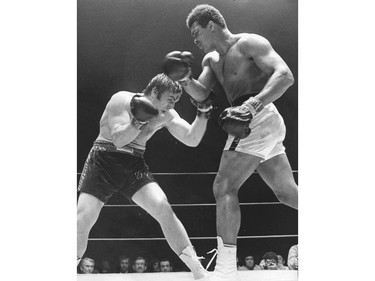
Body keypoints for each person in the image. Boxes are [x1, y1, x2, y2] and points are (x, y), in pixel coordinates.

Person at [163, 4, 298, 280]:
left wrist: (252, 106)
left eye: (196, 32)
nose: (195, 40)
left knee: (224, 185)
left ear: (211, 25)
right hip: (248, 121)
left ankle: (226, 271)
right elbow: (202, 95)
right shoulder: (211, 60)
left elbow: (284, 75)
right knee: (286, 193)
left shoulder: (249, 42)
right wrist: (185, 78)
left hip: (257, 117)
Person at [77, 73, 213, 280]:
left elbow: (191, 139)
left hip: (133, 165)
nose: (173, 103)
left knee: (163, 209)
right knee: (83, 218)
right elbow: (119, 140)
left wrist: (203, 112)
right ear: (155, 92)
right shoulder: (122, 99)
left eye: (177, 100)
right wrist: (138, 120)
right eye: (170, 98)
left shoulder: (167, 114)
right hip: (103, 160)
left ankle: (199, 272)